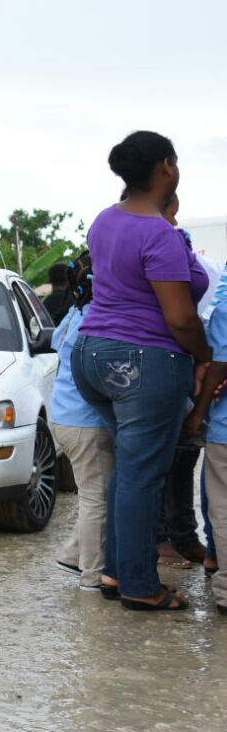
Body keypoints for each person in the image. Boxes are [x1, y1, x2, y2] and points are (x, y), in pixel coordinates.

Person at [72, 131, 210, 612]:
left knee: (130, 471)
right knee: (143, 476)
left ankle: (115, 572)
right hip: (143, 361)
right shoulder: (159, 234)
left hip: (91, 355)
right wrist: (205, 355)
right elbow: (180, 318)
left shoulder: (105, 220)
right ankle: (138, 584)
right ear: (167, 168)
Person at [47, 254, 110, 591]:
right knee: (96, 498)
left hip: (64, 417)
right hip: (86, 421)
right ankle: (92, 575)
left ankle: (74, 554)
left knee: (92, 495)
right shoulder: (97, 320)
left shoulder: (73, 316)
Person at [156, 194, 211, 566]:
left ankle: (183, 536)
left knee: (183, 457)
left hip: (191, 367)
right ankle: (160, 540)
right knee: (160, 460)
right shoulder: (142, 248)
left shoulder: (187, 253)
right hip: (163, 366)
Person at [185, 267, 227, 616]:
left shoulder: (223, 308)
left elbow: (219, 364)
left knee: (222, 507)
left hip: (224, 429)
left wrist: (197, 414)